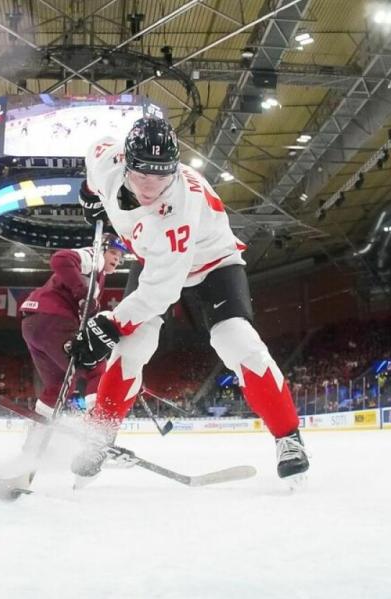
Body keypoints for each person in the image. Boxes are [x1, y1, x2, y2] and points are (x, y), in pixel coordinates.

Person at [70, 116, 309, 485]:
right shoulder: (107, 159)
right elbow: (92, 155)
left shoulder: (178, 210)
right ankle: (100, 435)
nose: (153, 186)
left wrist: (109, 324)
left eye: (163, 176)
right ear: (125, 164)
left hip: (212, 264)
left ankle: (288, 437)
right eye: (143, 175)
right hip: (154, 262)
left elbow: (160, 292)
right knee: (131, 349)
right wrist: (89, 195)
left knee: (236, 341)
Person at [19, 235, 125, 420]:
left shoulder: (97, 276)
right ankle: (96, 429)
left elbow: (85, 312)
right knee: (96, 369)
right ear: (103, 249)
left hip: (33, 325)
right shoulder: (94, 257)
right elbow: (60, 259)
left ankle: (37, 435)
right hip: (53, 320)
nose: (117, 258)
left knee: (60, 384)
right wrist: (83, 293)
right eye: (113, 252)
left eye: (120, 255)